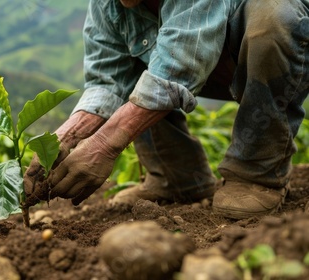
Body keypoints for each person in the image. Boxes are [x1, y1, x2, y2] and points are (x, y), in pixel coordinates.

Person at [23, 0, 309, 219]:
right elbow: (108, 80)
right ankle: (177, 178)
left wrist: (102, 146)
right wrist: (66, 137)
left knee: (276, 18)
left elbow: (179, 64)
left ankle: (257, 174)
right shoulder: (106, 6)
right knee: (138, 63)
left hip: (271, 51)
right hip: (198, 62)